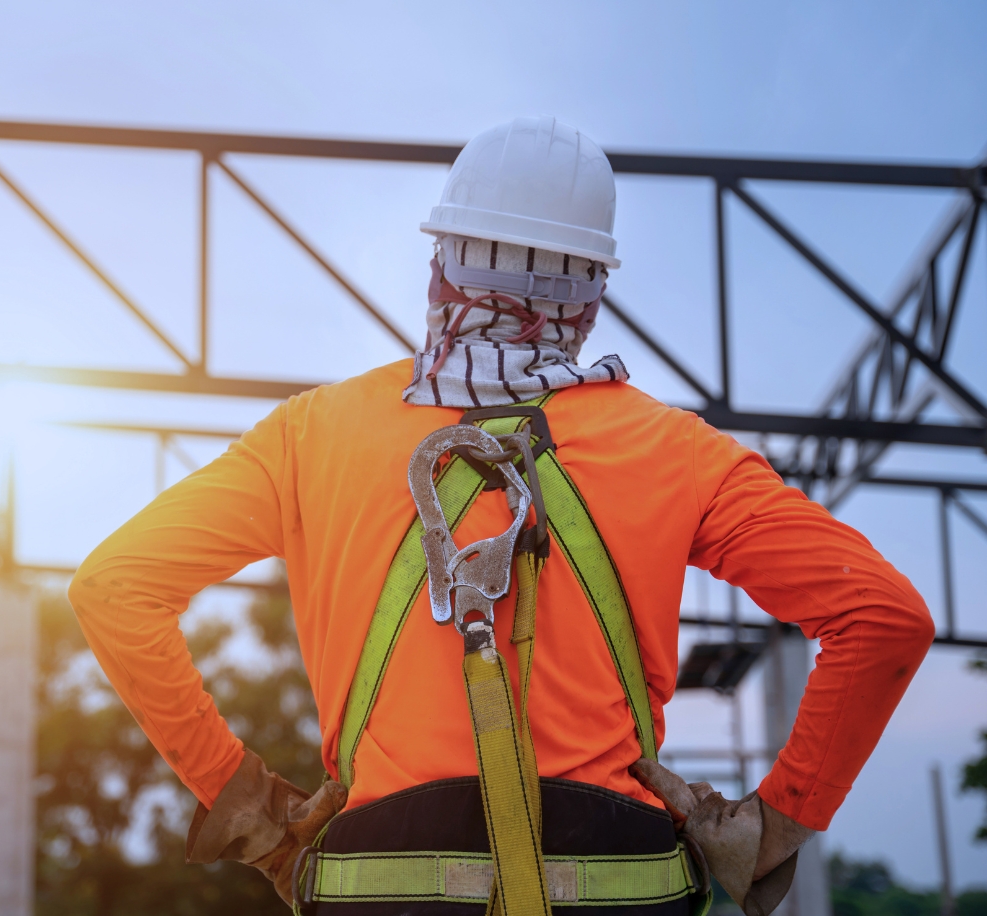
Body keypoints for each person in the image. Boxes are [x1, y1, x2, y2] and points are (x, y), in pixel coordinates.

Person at [68, 117, 934, 915]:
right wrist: (775, 823)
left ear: (439, 266)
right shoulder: (680, 453)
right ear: (591, 298)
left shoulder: (310, 437)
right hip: (621, 887)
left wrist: (250, 807)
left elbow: (114, 587)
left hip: (381, 888)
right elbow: (884, 618)